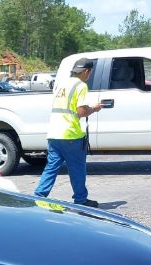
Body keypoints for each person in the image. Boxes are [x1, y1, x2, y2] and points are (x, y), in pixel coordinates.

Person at [34, 57, 103, 207]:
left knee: (51, 167)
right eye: (89, 73)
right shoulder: (81, 86)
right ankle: (81, 200)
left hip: (53, 133)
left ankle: (39, 197)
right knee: (77, 168)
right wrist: (94, 108)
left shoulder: (61, 84)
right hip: (70, 134)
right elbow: (81, 111)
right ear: (86, 71)